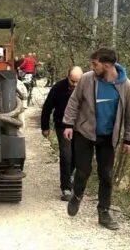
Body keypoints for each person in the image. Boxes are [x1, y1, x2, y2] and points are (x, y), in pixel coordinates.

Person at [62, 47, 130, 230]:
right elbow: (74, 101)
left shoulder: (128, 88)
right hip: (85, 132)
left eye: (95, 64)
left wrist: (129, 139)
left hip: (108, 137)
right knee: (82, 171)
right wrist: (68, 124)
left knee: (106, 176)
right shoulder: (87, 79)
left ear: (107, 65)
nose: (91, 67)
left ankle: (103, 212)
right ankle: (77, 196)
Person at [41, 66, 82, 201]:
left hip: (80, 127)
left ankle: (69, 176)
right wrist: (45, 127)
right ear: (67, 76)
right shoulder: (58, 88)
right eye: (72, 81)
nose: (75, 85)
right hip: (62, 125)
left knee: (77, 156)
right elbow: (47, 107)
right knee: (66, 155)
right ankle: (66, 188)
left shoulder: (86, 88)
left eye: (78, 82)